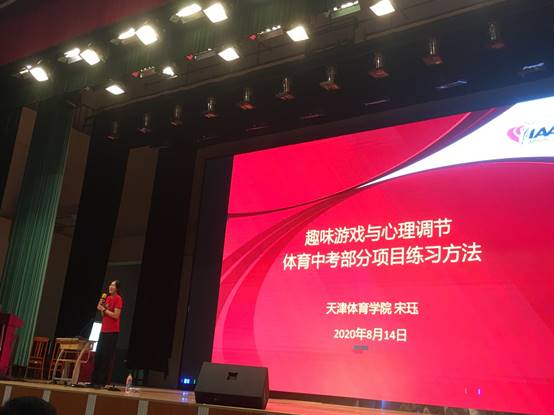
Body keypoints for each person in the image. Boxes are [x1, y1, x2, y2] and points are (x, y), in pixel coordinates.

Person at [91, 280, 123, 388]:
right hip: (103, 330)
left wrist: (104, 309)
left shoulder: (118, 298)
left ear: (117, 288)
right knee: (99, 355)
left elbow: (116, 315)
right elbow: (103, 315)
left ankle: (102, 382)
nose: (110, 287)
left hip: (112, 332)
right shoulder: (107, 298)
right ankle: (94, 380)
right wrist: (102, 306)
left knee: (106, 357)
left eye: (113, 285)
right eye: (110, 285)